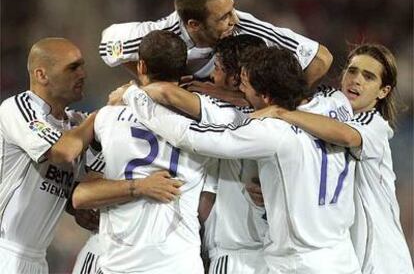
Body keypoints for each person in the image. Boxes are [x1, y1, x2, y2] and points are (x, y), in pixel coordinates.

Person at [121, 47, 361, 274]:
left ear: (265, 96)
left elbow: (190, 136)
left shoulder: (271, 132)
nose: (241, 92)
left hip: (301, 263)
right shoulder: (334, 110)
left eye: (246, 86)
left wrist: (135, 97)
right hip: (343, 257)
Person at [251, 44, 414, 273]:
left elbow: (346, 135)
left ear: (383, 92)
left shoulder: (373, 125)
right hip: (344, 258)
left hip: (381, 259)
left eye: (368, 77)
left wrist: (282, 113)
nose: (356, 80)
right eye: (352, 71)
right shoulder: (321, 118)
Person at [72, 30, 217, 274]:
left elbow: (83, 194)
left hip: (121, 263)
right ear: (183, 71)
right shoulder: (206, 124)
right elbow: (206, 206)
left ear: (140, 66)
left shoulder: (108, 118)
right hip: (179, 264)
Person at [128, 34, 267, 274]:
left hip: (233, 254)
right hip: (274, 254)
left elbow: (169, 95)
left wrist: (132, 93)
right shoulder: (280, 117)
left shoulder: (224, 114)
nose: (212, 76)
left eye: (218, 68)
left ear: (237, 78)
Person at [99, 0, 332, 89]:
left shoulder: (245, 26)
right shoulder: (161, 37)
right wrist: (152, 82)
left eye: (232, 9)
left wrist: (279, 107)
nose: (233, 20)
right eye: (223, 17)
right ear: (193, 25)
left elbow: (321, 59)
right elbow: (108, 47)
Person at [0, 38, 97, 274]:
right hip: (6, 251)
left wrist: (76, 209)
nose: (83, 74)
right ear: (42, 75)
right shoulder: (17, 108)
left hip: (37, 258)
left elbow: (53, 182)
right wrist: (99, 116)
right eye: (73, 67)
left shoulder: (74, 124)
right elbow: (62, 152)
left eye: (82, 66)